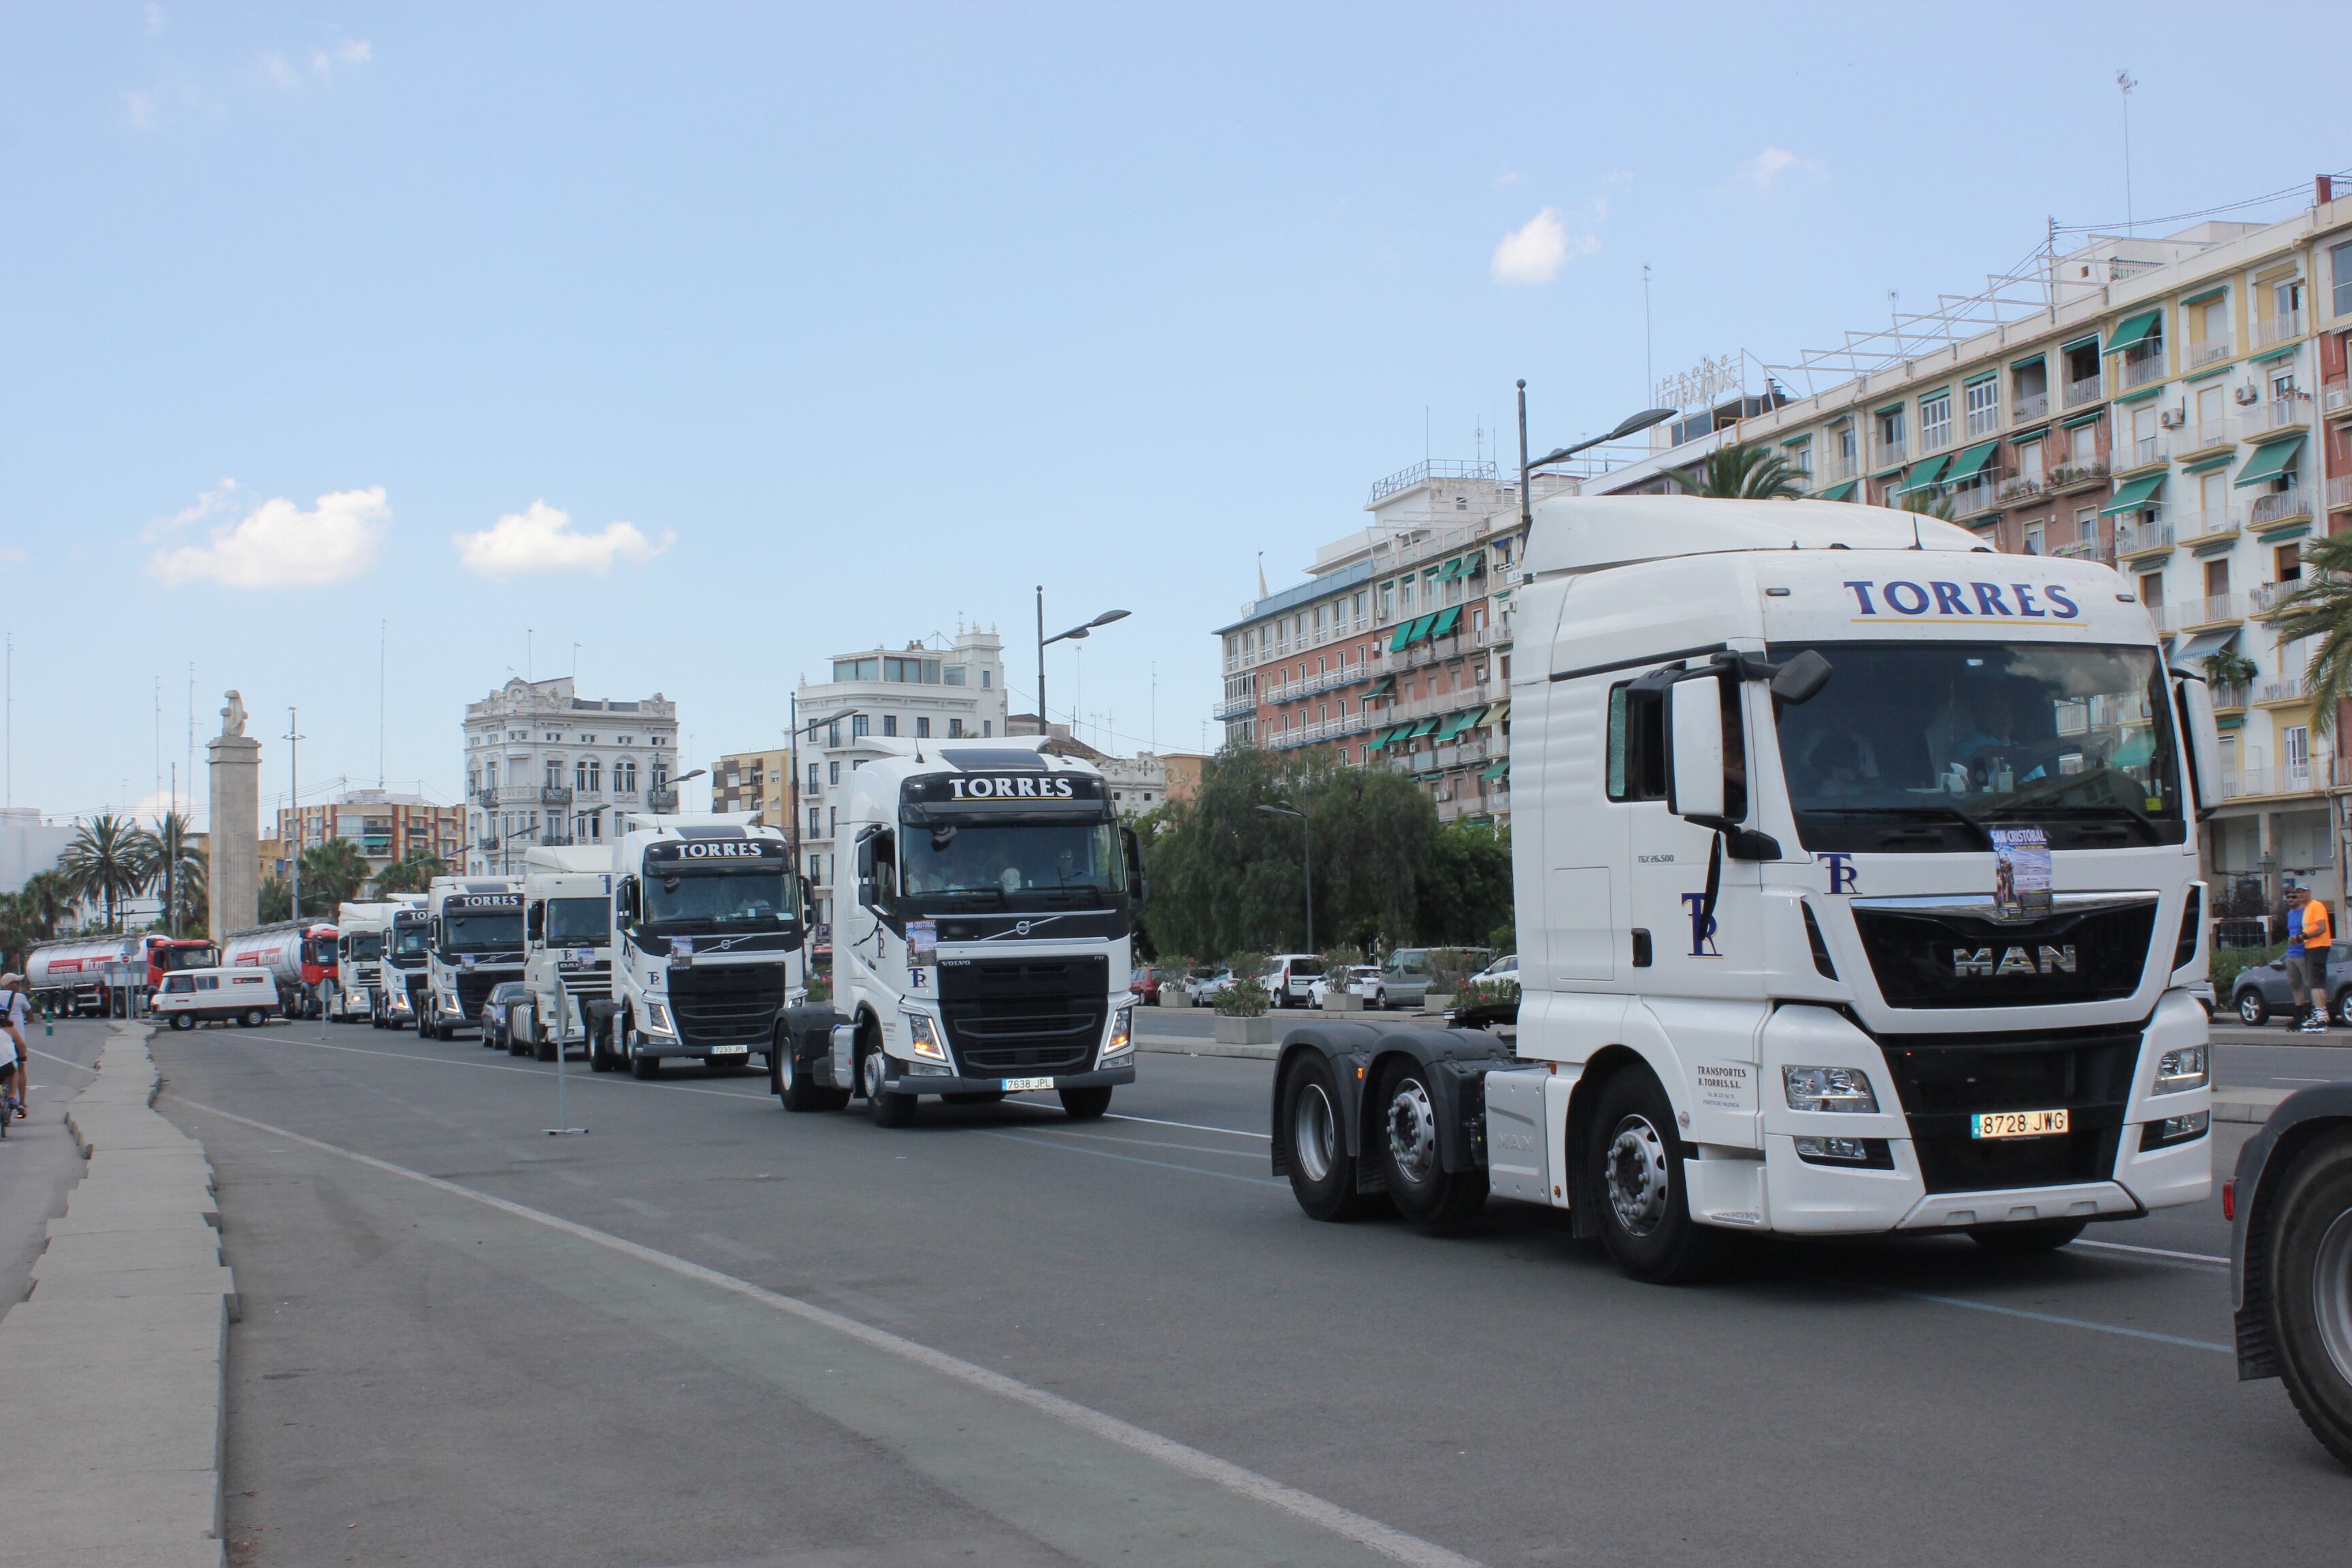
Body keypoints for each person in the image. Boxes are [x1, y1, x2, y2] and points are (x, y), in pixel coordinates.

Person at [2289, 885, 2334, 1032]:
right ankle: (2321, 1014)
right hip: (2310, 947)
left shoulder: (2316, 906)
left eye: (2302, 892)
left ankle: (2320, 1015)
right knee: (2317, 983)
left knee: (2315, 983)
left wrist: (2302, 937)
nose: (2299, 895)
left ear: (2310, 893)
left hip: (2318, 947)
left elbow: (2321, 928)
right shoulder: (2307, 909)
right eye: (2298, 893)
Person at [1, 973, 29, 1120]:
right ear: (9, 984)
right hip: (15, 1042)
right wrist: (23, 1057)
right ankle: (19, 1101)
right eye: (16, 982)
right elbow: (30, 1014)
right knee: (18, 1069)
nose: (18, 985)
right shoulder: (20, 997)